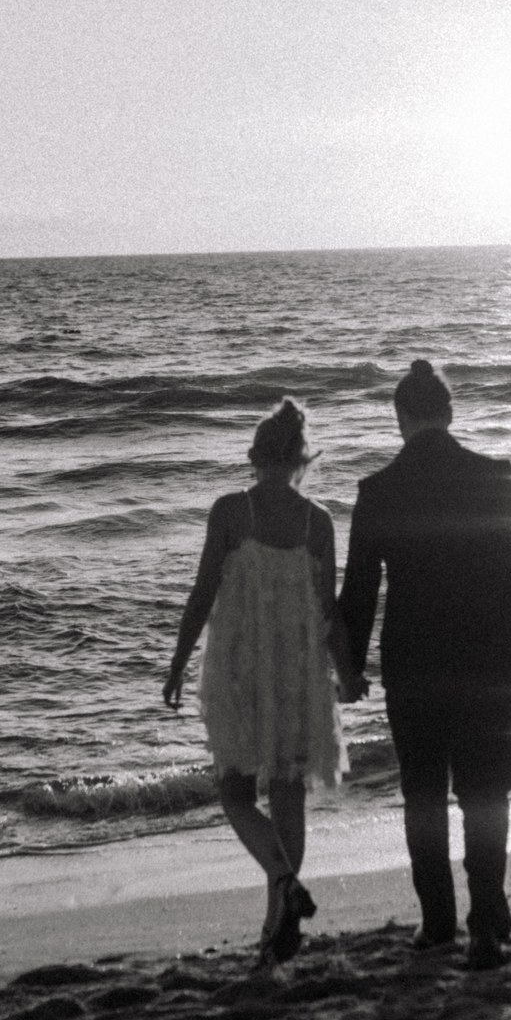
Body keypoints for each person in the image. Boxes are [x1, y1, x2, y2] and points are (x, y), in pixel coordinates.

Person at [338, 359, 511, 970]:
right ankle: (488, 917)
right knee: (488, 791)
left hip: (414, 662)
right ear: (450, 413)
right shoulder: (494, 477)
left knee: (424, 794)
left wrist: (349, 669)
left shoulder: (377, 491)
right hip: (489, 658)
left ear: (400, 418)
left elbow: (359, 591)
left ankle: (437, 923)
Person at [163, 397, 366, 967]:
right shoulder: (317, 521)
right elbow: (328, 614)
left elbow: (203, 593)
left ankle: (281, 890)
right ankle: (282, 917)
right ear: (301, 458)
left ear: (254, 457)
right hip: (299, 670)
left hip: (238, 668)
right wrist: (348, 674)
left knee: (234, 792)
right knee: (288, 794)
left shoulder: (231, 511)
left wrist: (179, 662)